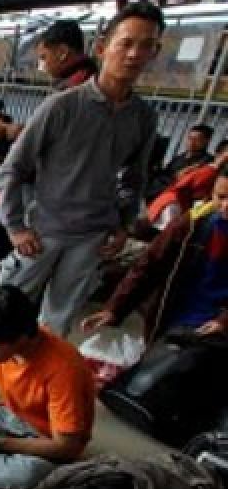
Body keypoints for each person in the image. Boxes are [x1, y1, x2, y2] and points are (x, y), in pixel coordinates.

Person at [0, 1, 164, 338]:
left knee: (56, 326)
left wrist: (124, 226)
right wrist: (15, 226)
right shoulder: (62, 106)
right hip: (41, 232)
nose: (134, 54)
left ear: (155, 53)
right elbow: (13, 168)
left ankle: (35, 388)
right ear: (102, 47)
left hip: (91, 239)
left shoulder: (144, 117)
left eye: (146, 46)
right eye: (126, 43)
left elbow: (135, 178)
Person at [81, 165, 228, 438]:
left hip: (217, 323)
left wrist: (223, 320)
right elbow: (148, 266)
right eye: (221, 197)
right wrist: (114, 309)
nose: (225, 206)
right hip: (177, 315)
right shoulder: (191, 224)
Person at [0, 286, 96, 489]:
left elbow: (67, 447)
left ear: (22, 336)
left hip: (46, 438)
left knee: (27, 475)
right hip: (9, 416)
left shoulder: (64, 368)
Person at [146, 139, 228, 229]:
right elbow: (198, 197)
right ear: (219, 154)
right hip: (174, 205)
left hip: (173, 204)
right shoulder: (209, 171)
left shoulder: (206, 166)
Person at [35, 19, 98, 91]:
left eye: (43, 57)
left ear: (62, 52)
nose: (42, 65)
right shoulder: (90, 74)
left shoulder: (75, 86)